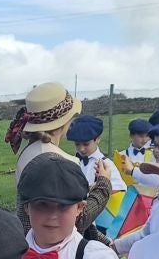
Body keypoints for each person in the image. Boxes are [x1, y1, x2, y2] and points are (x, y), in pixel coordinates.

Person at [7, 83, 111, 234]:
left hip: (31, 239)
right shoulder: (61, 162)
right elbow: (78, 219)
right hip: (55, 247)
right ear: (64, 122)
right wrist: (104, 183)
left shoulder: (28, 152)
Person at [66, 116, 109, 189]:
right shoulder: (71, 163)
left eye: (86, 144)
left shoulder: (107, 165)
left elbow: (119, 192)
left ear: (97, 139)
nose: (81, 149)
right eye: (77, 144)